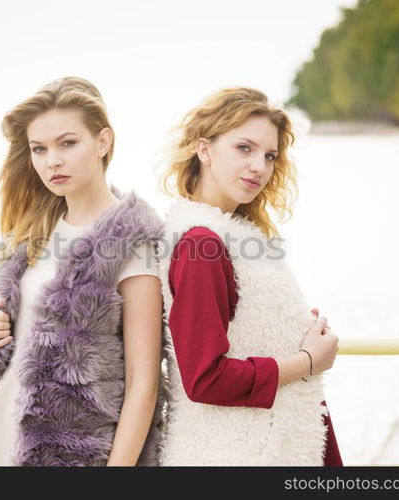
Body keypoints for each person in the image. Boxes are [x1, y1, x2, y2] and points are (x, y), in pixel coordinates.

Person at [0, 77, 166, 466]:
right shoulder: (33, 233)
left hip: (71, 449)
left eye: (68, 143)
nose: (52, 161)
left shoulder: (132, 242)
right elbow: (27, 334)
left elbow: (144, 383)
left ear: (103, 142)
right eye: (39, 149)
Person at [156, 86, 343, 466]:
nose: (260, 166)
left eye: (269, 155)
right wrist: (307, 361)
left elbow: (245, 330)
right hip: (238, 455)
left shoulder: (230, 234)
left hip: (263, 448)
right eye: (245, 148)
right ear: (204, 150)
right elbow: (204, 378)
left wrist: (292, 329)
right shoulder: (200, 244)